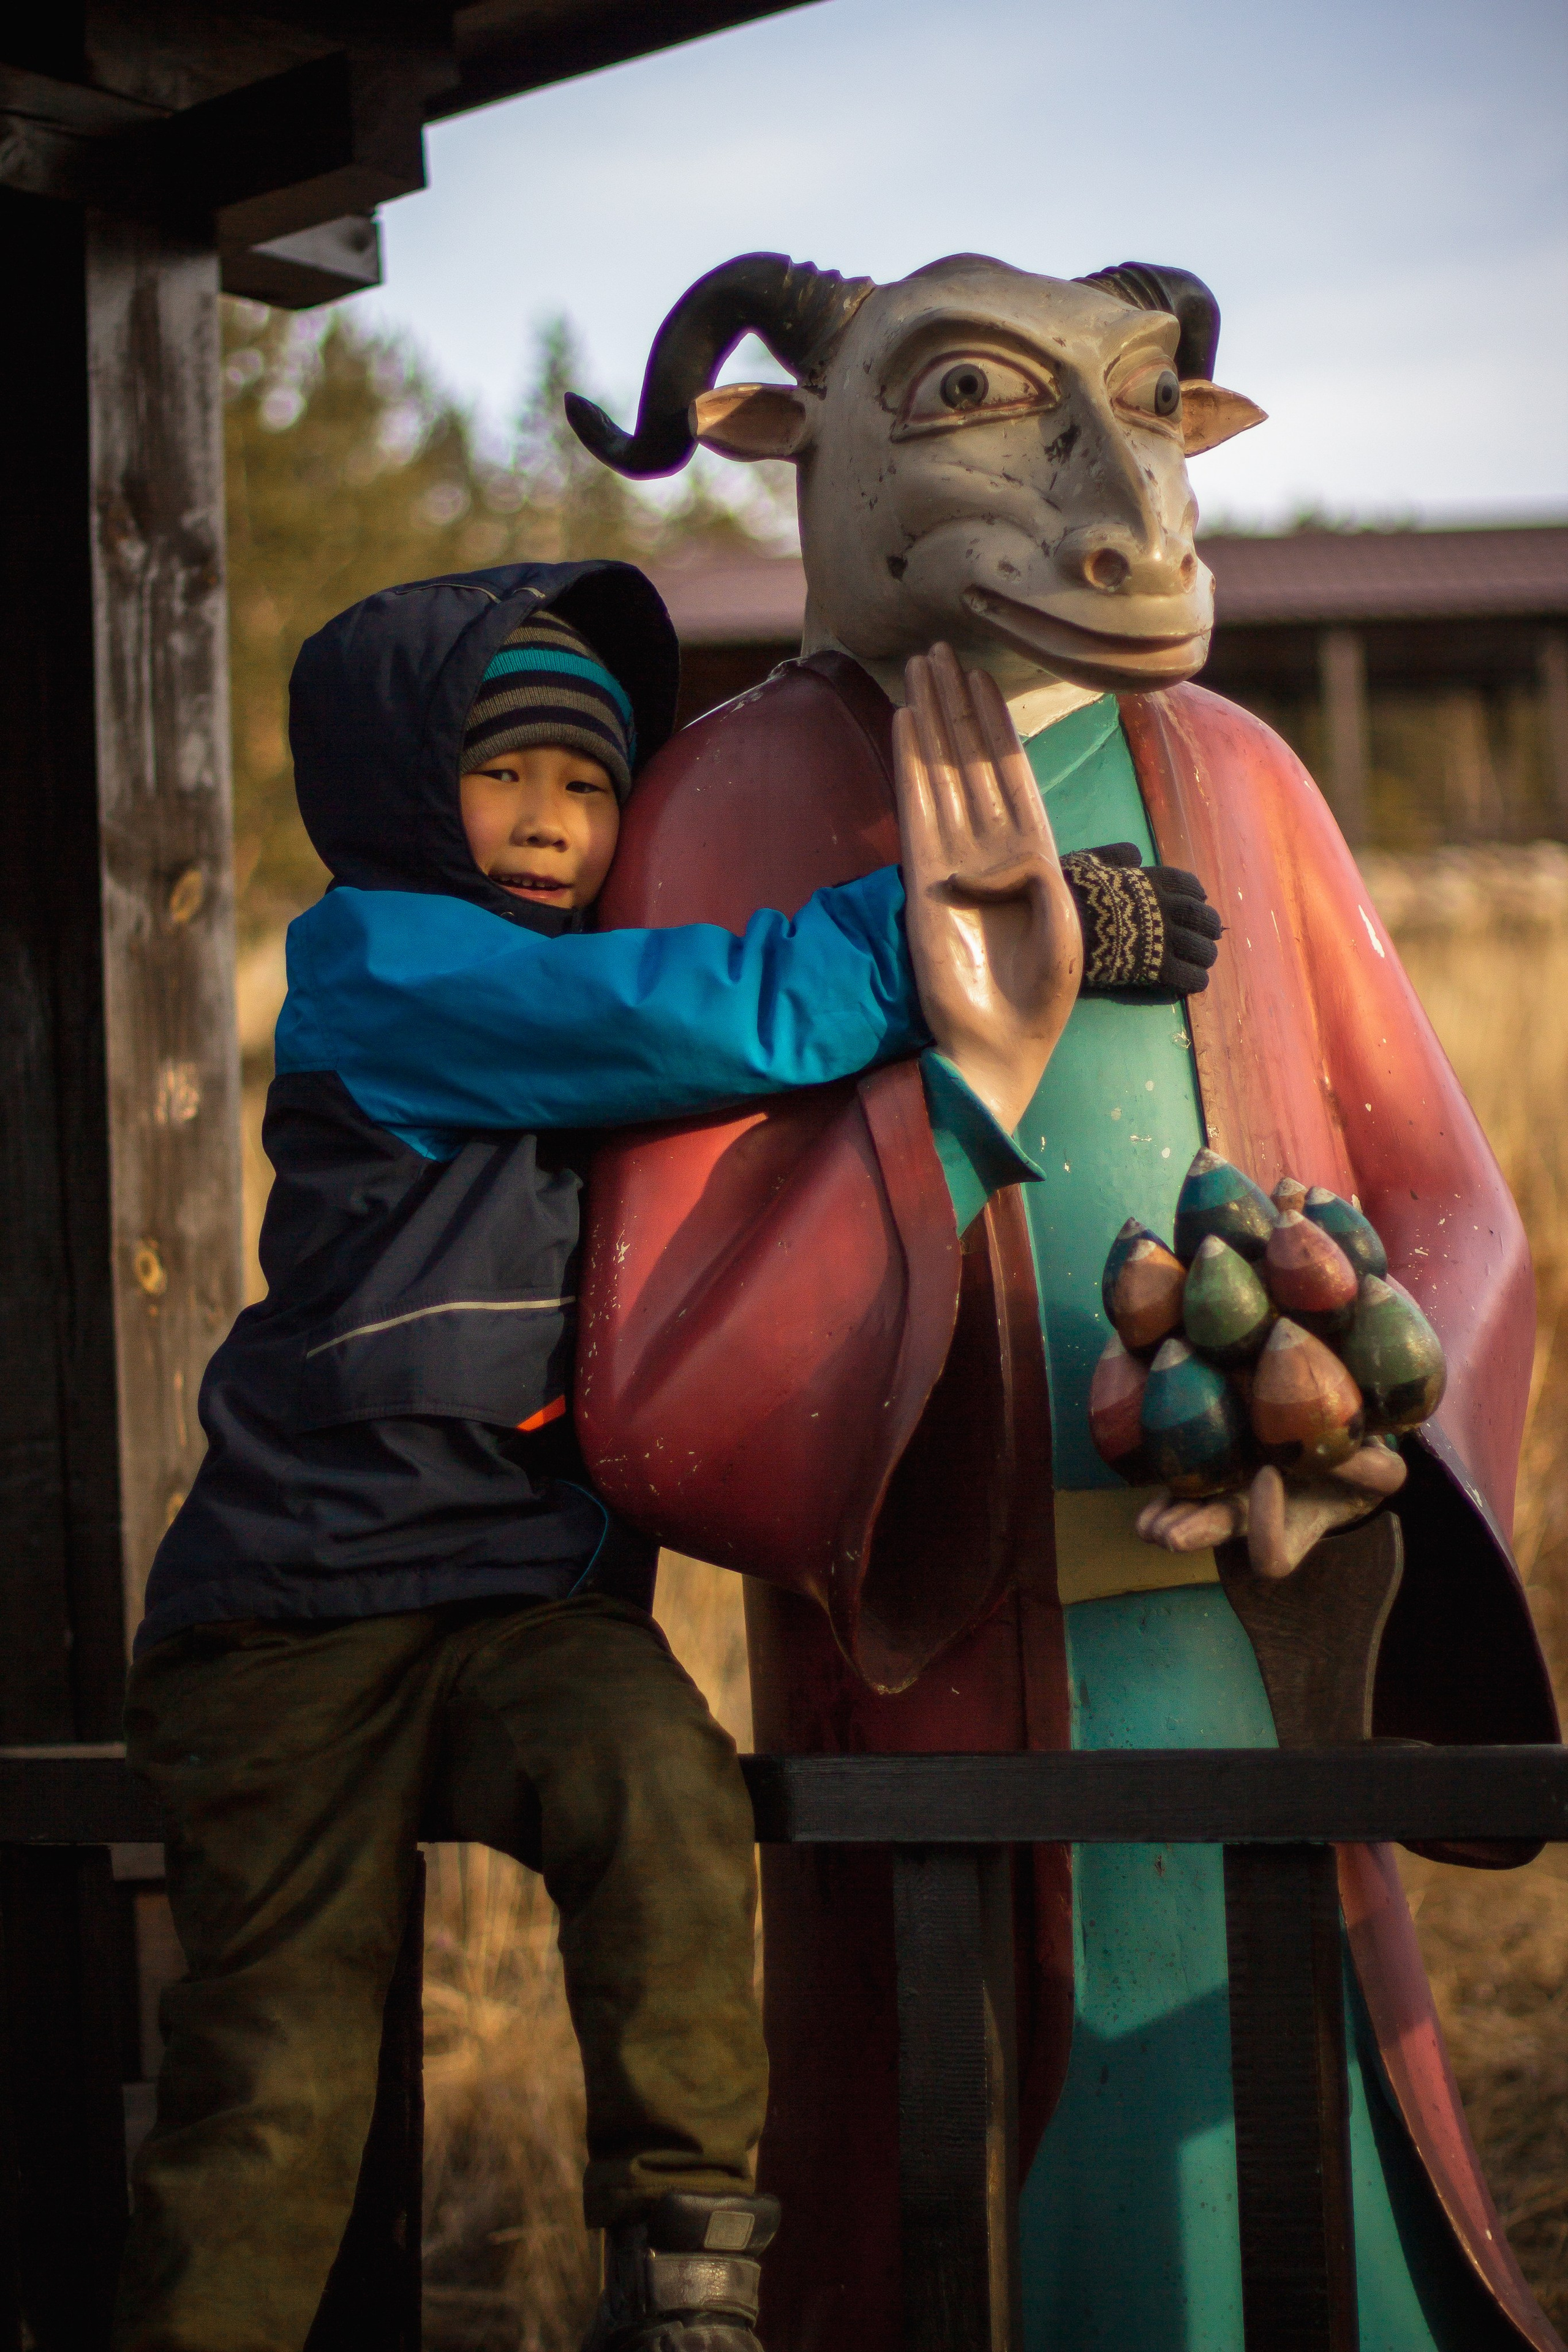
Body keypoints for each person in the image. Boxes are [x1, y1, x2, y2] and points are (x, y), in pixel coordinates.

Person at [114, 562, 1096, 2352]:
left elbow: (776, 1203)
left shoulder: (555, 1002)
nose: (557, 823)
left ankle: (690, 2262)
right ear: (414, 790)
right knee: (276, 2080)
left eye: (592, 783)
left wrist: (1004, 1048)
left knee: (661, 1781)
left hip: (518, 1610)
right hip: (293, 1626)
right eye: (507, 776)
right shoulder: (380, 965)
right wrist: (949, 927)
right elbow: (689, 1012)